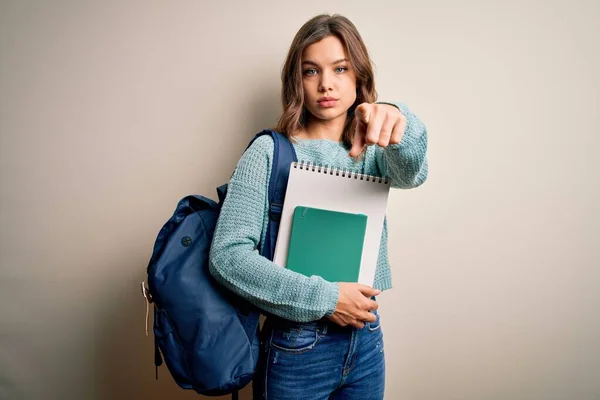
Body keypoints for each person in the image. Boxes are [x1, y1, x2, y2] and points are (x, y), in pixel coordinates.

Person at [209, 13, 428, 400]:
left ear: (359, 76)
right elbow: (227, 257)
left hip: (366, 339)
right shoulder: (269, 152)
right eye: (311, 71)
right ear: (297, 80)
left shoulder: (374, 152)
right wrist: (327, 299)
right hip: (296, 347)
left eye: (340, 68)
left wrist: (398, 117)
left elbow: (414, 172)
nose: (326, 83)